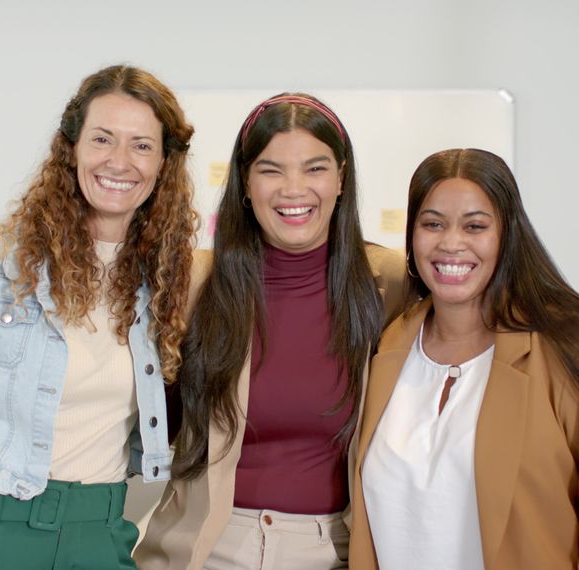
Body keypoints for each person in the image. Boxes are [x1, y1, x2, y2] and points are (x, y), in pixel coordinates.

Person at [0, 64, 197, 570]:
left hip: (98, 533)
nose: (119, 161)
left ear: (164, 162)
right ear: (72, 148)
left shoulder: (169, 285)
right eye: (102, 139)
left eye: (141, 145)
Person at [348, 148, 579, 569]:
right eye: (432, 224)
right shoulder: (386, 345)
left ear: (508, 235)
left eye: (475, 226)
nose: (450, 243)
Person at [134, 93, 406, 569]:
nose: (293, 189)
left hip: (334, 550)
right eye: (271, 170)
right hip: (207, 548)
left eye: (315, 168)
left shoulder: (390, 283)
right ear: (245, 181)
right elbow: (133, 410)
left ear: (341, 178)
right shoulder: (195, 282)